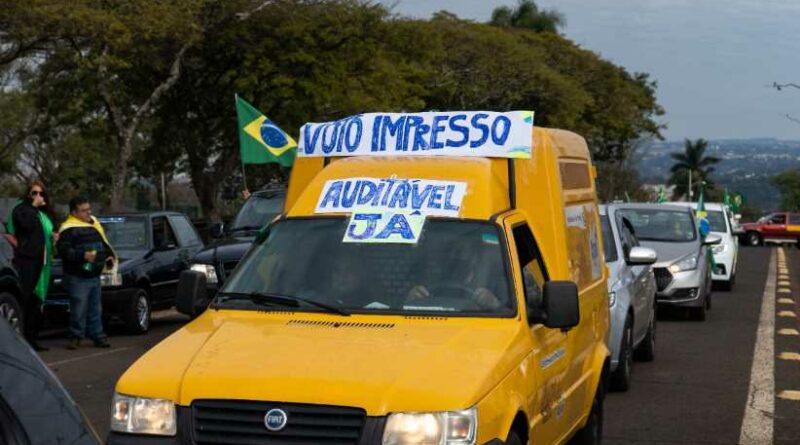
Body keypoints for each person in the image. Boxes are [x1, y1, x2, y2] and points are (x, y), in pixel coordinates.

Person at [6, 180, 58, 351]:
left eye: (41, 193)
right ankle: (23, 338)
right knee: (27, 297)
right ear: (28, 194)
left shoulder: (45, 214)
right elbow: (26, 226)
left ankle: (32, 337)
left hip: (43, 261)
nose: (38, 196)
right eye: (34, 193)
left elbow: (50, 231)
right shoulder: (22, 209)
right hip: (27, 259)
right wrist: (34, 206)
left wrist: (54, 237)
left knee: (37, 300)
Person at [58, 196, 115, 349]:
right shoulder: (68, 229)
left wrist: (108, 256)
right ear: (74, 213)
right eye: (84, 210)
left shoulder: (94, 224)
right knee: (79, 309)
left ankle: (98, 336)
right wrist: (82, 255)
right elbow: (63, 251)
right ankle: (75, 336)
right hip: (78, 276)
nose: (88, 213)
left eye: (89, 209)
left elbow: (104, 244)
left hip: (94, 274)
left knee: (96, 309)